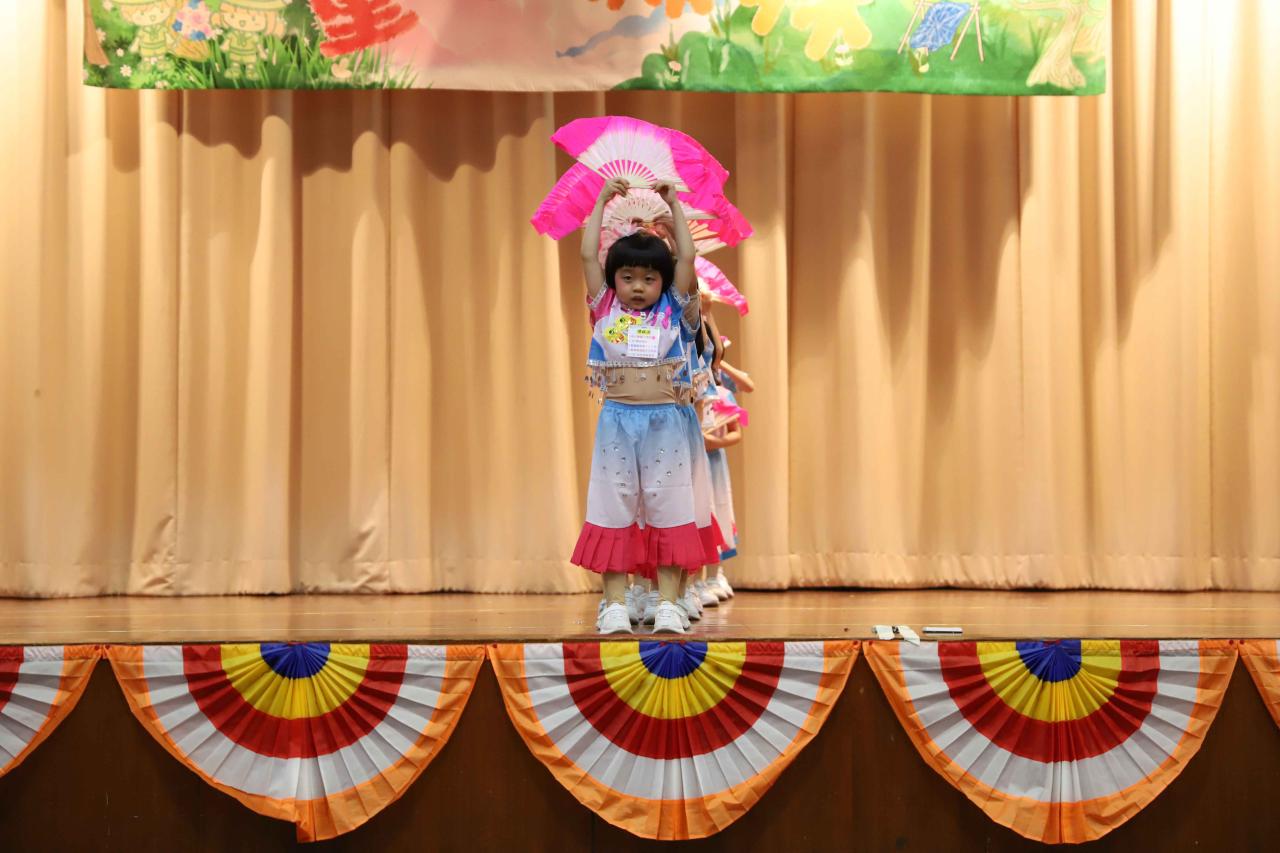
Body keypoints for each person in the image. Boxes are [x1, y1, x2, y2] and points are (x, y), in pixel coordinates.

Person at [572, 178, 703, 635]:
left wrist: (674, 205)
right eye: (627, 277)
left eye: (649, 278)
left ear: (663, 282)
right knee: (612, 505)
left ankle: (668, 603)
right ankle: (613, 605)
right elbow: (587, 256)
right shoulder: (604, 309)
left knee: (670, 508)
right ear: (614, 281)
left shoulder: (673, 310)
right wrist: (601, 201)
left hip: (665, 425)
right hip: (617, 423)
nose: (638, 286)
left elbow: (687, 258)